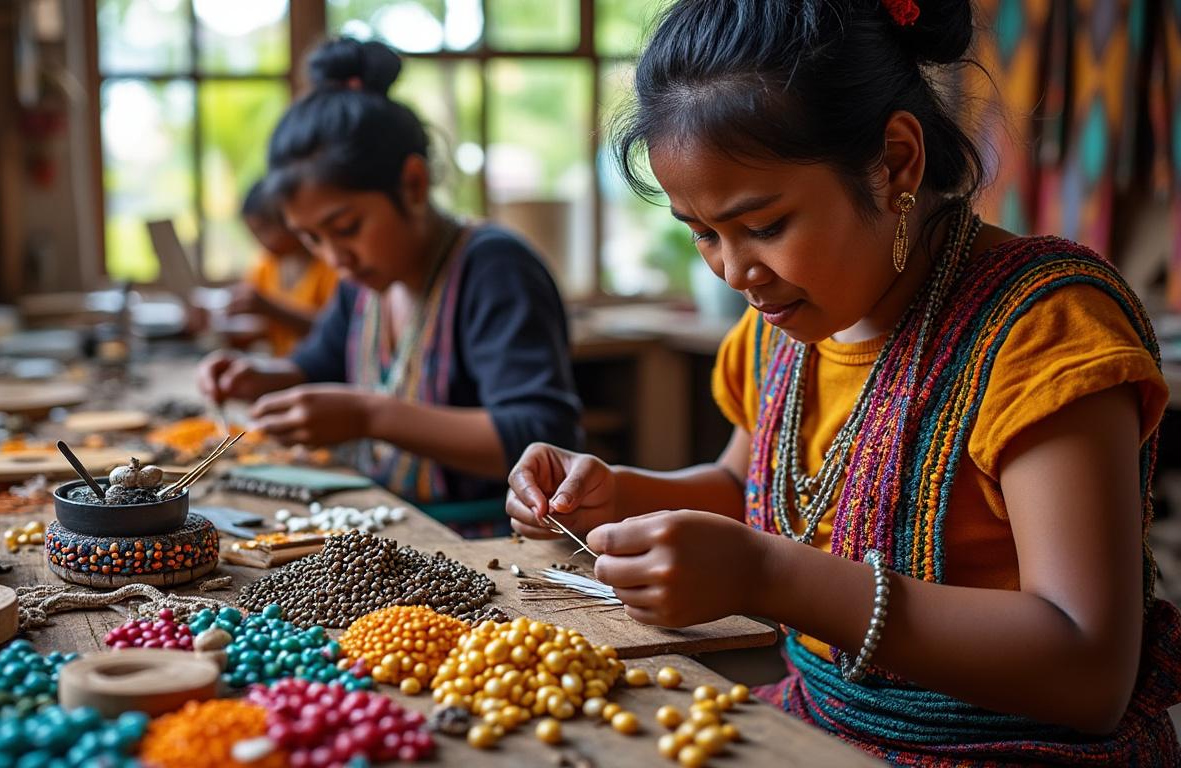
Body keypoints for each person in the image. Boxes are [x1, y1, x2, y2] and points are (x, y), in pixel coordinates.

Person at [505, 0, 1181, 762]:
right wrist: (616, 495)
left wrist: (765, 575)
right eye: (702, 233)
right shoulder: (781, 334)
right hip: (818, 728)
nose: (735, 272)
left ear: (896, 162)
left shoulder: (1041, 335)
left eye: (764, 226)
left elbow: (1089, 671)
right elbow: (748, 491)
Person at [199, 38, 582, 535]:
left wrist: (369, 416)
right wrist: (258, 377)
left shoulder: (495, 268)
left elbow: (540, 435)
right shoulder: (364, 283)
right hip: (392, 521)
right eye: (312, 239)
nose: (335, 258)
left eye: (346, 227)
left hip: (488, 541)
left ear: (414, 185)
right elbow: (317, 363)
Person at [229, 179, 338, 356]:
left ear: (289, 221)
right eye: (253, 234)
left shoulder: (331, 266)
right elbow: (257, 331)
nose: (259, 242)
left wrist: (270, 309)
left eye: (264, 230)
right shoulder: (265, 266)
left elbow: (337, 330)